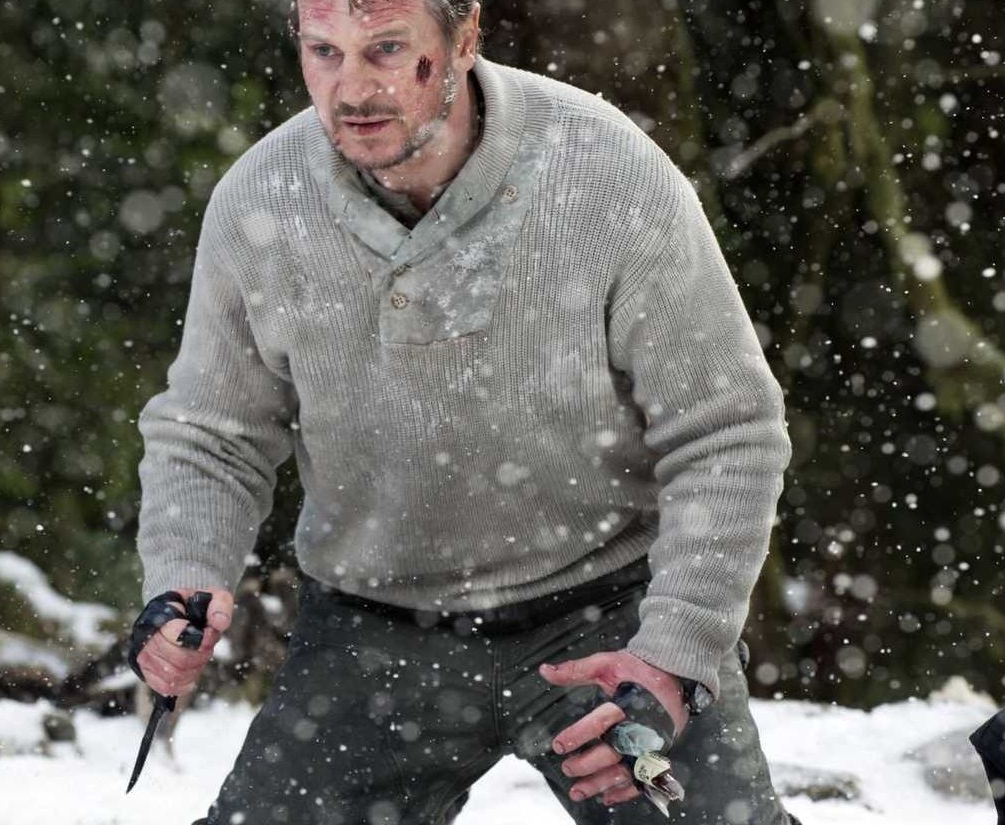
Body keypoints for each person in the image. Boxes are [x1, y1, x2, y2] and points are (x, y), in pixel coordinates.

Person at [129, 0, 796, 822]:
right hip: (371, 632)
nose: (352, 90)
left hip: (608, 612)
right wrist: (186, 573)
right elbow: (211, 434)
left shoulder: (605, 172)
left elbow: (727, 430)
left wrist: (674, 654)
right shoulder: (261, 201)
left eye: (386, 49)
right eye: (324, 51)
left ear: (465, 36)